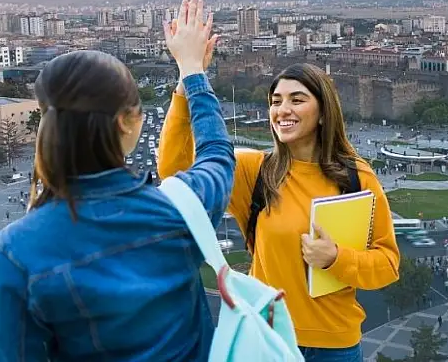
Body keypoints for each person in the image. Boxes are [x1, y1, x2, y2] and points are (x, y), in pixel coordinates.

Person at [0, 0, 235, 361]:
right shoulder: (178, 211)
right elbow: (217, 155)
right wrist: (192, 73)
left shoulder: (17, 250)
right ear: (126, 123)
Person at [158, 62, 400, 361]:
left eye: (297, 100)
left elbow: (387, 264)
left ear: (324, 112)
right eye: (276, 102)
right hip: (266, 341)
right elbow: (176, 170)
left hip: (335, 348)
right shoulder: (254, 171)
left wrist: (335, 258)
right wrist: (185, 86)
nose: (282, 110)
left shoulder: (356, 178)